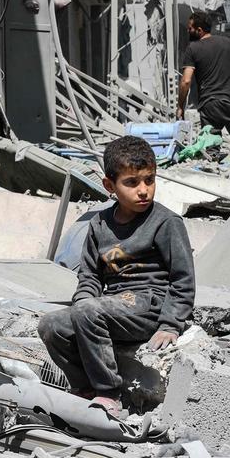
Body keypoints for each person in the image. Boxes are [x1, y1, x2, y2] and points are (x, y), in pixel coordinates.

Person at [37, 136, 195, 416]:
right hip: (112, 307)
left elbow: (183, 278)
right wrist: (81, 311)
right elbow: (89, 277)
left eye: (149, 180)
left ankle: (109, 393)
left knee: (86, 310)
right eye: (132, 183)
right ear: (110, 186)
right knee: (51, 325)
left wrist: (170, 324)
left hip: (149, 305)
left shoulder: (166, 223)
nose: (144, 190)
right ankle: (85, 387)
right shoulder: (99, 225)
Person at [177, 11, 230, 148]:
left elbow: (186, 81)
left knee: (211, 148)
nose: (188, 31)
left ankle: (212, 167)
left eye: (190, 29)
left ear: (199, 30)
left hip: (209, 105)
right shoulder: (229, 43)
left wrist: (180, 106)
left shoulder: (192, 49)